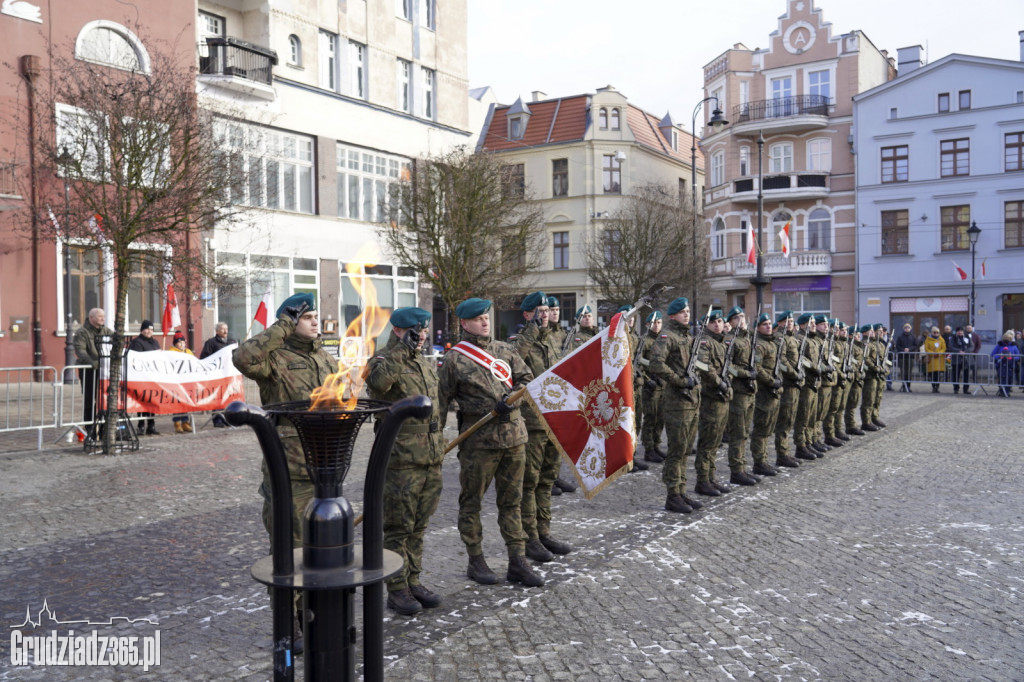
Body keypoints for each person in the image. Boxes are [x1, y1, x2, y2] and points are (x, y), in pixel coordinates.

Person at [437, 298, 543, 588]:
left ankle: (517, 561)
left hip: (515, 437)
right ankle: (476, 559)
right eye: (478, 318)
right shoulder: (454, 360)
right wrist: (435, 440)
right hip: (478, 443)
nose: (485, 322)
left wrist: (514, 397)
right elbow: (441, 403)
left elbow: (526, 379)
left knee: (512, 501)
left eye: (486, 317)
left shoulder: (504, 350)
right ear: (464, 323)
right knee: (471, 502)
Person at [366, 307, 445, 616]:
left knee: (419, 524)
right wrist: (401, 349)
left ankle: (413, 580)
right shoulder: (384, 359)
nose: (422, 335)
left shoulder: (423, 364)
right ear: (399, 331)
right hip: (401, 459)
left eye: (424, 330)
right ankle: (396, 589)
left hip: (430, 457)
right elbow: (379, 385)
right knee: (398, 526)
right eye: (416, 331)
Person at [510, 292, 573, 564]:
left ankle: (544, 531)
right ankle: (530, 537)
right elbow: (513, 364)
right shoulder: (518, 342)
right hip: (532, 422)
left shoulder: (555, 339)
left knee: (547, 480)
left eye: (547, 309)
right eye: (538, 310)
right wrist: (532, 330)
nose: (545, 313)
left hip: (554, 420)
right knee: (530, 483)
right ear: (526, 314)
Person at [648, 297, 705, 513]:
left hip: (692, 401)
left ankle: (681, 491)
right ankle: (672, 494)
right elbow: (656, 364)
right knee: (676, 450)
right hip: (677, 403)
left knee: (685, 450)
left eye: (688, 311)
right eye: (682, 312)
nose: (687, 315)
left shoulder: (689, 338)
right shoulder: (667, 336)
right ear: (672, 315)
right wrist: (680, 381)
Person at [694, 310, 734, 496]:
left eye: (719, 321)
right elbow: (703, 367)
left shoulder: (723, 343)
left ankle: (711, 478)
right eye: (712, 322)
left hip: (722, 398)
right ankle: (702, 481)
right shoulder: (704, 342)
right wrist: (719, 383)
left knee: (716, 441)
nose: (717, 324)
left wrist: (728, 383)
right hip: (710, 397)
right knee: (707, 442)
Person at [723, 306, 759, 486]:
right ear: (730, 322)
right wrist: (746, 374)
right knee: (738, 433)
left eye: (743, 316)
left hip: (750, 391)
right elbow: (727, 367)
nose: (741, 319)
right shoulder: (729, 341)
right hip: (738, 393)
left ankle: (743, 467)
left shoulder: (749, 339)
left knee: (745, 432)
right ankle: (736, 471)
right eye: (736, 317)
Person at [749, 312, 782, 477]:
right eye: (765, 324)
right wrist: (770, 381)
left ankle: (764, 460)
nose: (769, 326)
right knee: (761, 429)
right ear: (758, 328)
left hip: (773, 391)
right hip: (763, 391)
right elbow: (757, 368)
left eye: (770, 323)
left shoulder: (773, 343)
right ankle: (759, 462)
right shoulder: (759, 345)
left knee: (768, 429)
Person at [617, 304, 649, 473]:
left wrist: (641, 377)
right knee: (624, 424)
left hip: (635, 388)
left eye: (633, 317)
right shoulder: (616, 338)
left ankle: (632, 456)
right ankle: (623, 459)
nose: (631, 320)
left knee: (636, 424)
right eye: (628, 317)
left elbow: (638, 364)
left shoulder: (635, 338)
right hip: (623, 390)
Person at [73, 308, 115, 434]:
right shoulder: (82, 332)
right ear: (91, 318)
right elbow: (80, 351)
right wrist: (93, 363)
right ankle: (90, 427)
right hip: (89, 370)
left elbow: (116, 343)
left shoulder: (106, 331)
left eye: (104, 316)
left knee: (103, 398)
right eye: (100, 316)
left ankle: (102, 426)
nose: (103, 319)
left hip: (104, 370)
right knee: (90, 399)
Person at [773, 312, 802, 468]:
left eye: (791, 320)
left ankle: (786, 452)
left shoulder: (792, 338)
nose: (790, 323)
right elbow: (781, 361)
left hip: (794, 383)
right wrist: (793, 372)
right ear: (780, 322)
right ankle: (782, 454)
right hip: (787, 383)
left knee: (790, 420)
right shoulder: (779, 338)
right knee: (784, 421)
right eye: (786, 321)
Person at [640, 311, 667, 464]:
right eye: (653, 322)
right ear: (647, 324)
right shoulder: (644, 341)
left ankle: (656, 445)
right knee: (650, 418)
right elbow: (639, 363)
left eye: (659, 322)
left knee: (660, 418)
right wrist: (647, 380)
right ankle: (649, 449)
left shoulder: (663, 340)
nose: (656, 325)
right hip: (650, 386)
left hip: (662, 385)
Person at [200, 321, 238, 427]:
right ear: (217, 331)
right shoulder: (211, 343)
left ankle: (226, 418)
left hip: (229, 374)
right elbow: (204, 358)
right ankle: (217, 419)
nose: (225, 331)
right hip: (217, 375)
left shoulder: (231, 342)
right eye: (222, 329)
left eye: (226, 328)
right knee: (217, 397)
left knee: (228, 397)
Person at [128, 320, 161, 435]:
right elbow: (137, 358)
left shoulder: (155, 342)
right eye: (147, 329)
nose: (149, 331)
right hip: (141, 377)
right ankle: (141, 425)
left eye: (151, 329)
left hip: (153, 376)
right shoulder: (137, 342)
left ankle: (151, 425)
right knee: (142, 402)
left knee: (152, 401)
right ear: (142, 330)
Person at [168, 332, 196, 433]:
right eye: (179, 343)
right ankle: (177, 422)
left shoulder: (188, 352)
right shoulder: (171, 353)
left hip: (187, 381)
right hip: (176, 381)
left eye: (183, 342)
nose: (181, 345)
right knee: (177, 403)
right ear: (175, 344)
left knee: (185, 402)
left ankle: (185, 422)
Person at [991, 331, 1021, 397]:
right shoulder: (999, 345)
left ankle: (1007, 391)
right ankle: (1002, 391)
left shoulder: (1014, 346)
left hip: (1010, 365)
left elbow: (1018, 356)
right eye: (1006, 338)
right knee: (1001, 378)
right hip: (1000, 365)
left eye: (1009, 338)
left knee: (1009, 378)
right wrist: (1000, 356)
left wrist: (1011, 357)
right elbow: (993, 354)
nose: (1007, 339)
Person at [894, 323, 919, 392]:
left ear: (910, 329)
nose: (907, 329)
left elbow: (916, 345)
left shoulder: (913, 337)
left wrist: (909, 349)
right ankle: (904, 385)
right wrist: (903, 349)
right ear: (903, 328)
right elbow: (897, 346)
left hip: (910, 357)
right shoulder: (900, 337)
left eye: (908, 327)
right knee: (903, 372)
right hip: (902, 357)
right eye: (905, 327)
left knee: (909, 372)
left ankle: (908, 386)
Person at [947, 327, 971, 394]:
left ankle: (966, 389)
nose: (960, 332)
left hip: (965, 359)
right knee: (955, 375)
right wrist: (959, 351)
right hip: (956, 359)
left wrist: (966, 351)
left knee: (966, 375)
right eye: (958, 331)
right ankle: (956, 389)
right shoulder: (952, 338)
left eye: (961, 331)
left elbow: (972, 346)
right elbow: (951, 347)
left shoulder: (967, 338)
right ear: (956, 332)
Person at [923, 326, 946, 393]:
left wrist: (939, 353)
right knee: (932, 375)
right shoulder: (928, 339)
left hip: (939, 359)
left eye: (937, 332)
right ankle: (933, 387)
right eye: (934, 332)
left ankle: (937, 387)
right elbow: (926, 349)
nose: (936, 333)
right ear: (932, 332)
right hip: (931, 359)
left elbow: (943, 348)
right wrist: (933, 353)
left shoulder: (941, 339)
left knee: (938, 375)